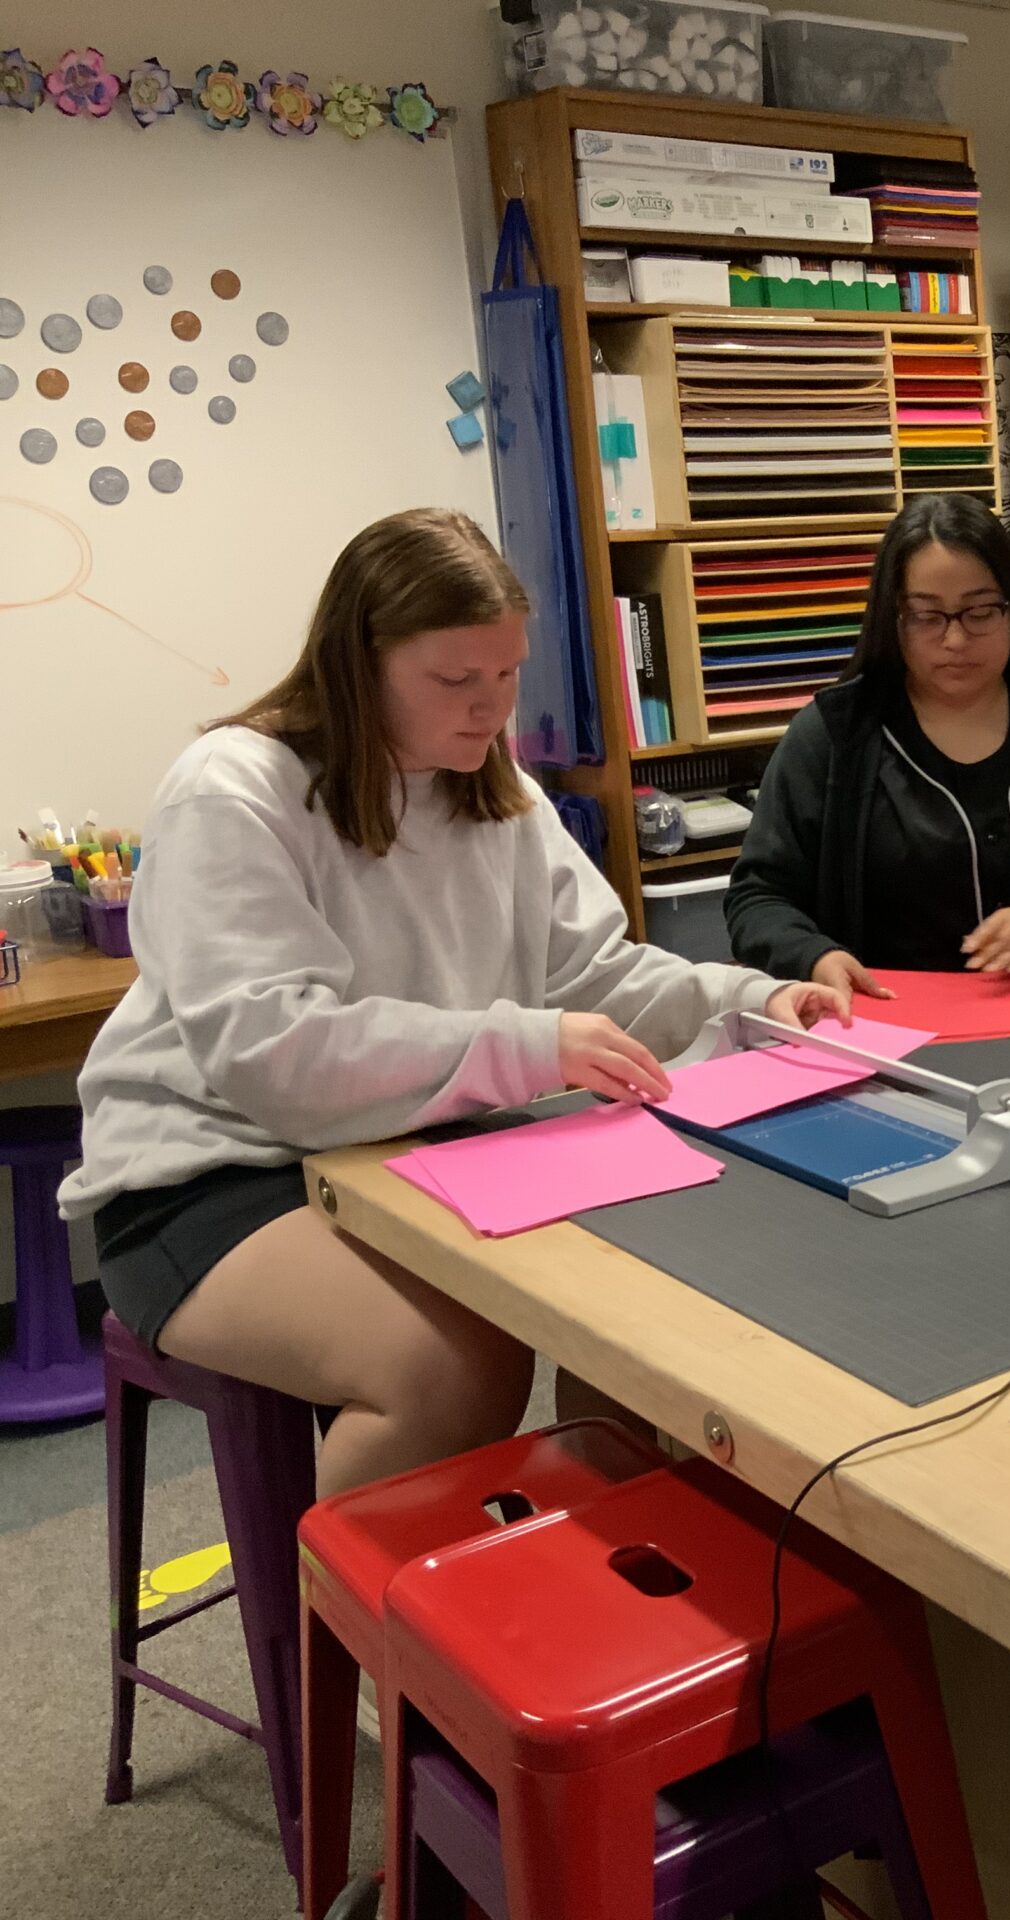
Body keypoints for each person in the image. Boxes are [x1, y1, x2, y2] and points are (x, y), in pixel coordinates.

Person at [59, 509, 846, 1497]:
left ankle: (569, 1594)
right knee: (449, 1367)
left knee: (637, 1313)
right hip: (210, 1174)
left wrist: (757, 1002)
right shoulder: (234, 788)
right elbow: (271, 1057)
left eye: (508, 676)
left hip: (408, 1144)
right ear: (360, 663)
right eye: (455, 681)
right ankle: (367, 1644)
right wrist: (526, 1046)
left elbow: (592, 974)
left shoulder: (488, 782)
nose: (490, 710)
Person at [726, 492, 1010, 990]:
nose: (955, 641)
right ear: (893, 619)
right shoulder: (835, 736)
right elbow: (758, 897)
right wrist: (813, 957)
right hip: (902, 1021)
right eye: (926, 616)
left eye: (980, 612)